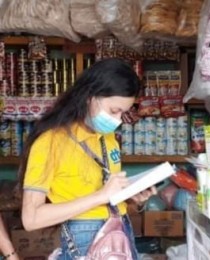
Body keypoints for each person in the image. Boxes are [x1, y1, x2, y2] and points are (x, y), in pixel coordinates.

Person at [19, 58, 156, 259]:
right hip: (83, 239)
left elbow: (108, 199)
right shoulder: (50, 143)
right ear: (89, 96)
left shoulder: (108, 139)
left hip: (119, 232)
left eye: (123, 113)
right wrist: (100, 196)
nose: (117, 120)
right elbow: (31, 219)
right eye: (113, 111)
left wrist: (133, 200)